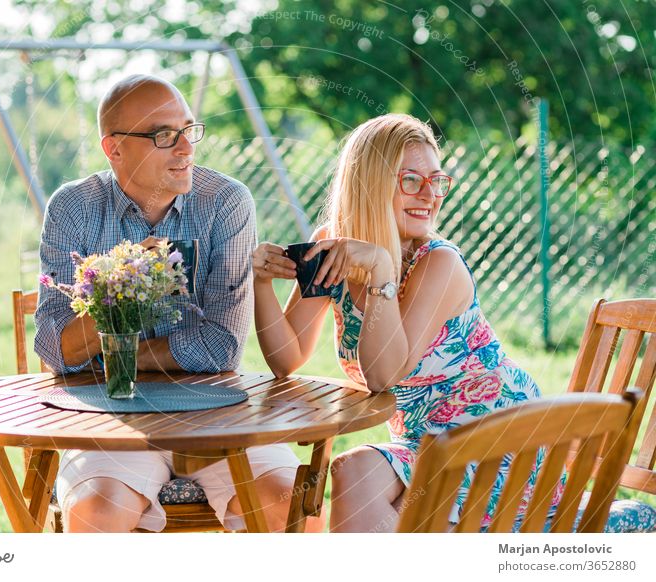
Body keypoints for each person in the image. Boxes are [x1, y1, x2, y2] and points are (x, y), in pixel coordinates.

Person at [252, 113, 562, 532]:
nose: (430, 195)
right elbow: (285, 357)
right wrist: (261, 283)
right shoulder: (334, 244)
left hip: (497, 442)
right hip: (425, 443)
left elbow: (382, 374)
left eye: (437, 180)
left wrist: (381, 268)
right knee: (353, 470)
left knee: (389, 520)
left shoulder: (439, 263)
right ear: (370, 184)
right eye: (411, 180)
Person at [34, 74, 313, 533]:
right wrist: (118, 287)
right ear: (114, 148)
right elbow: (55, 351)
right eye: (164, 136)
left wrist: (115, 357)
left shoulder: (225, 202)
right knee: (97, 511)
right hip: (106, 423)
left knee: (291, 503)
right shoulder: (74, 207)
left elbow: (221, 345)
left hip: (219, 416)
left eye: (188, 130)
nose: (185, 148)